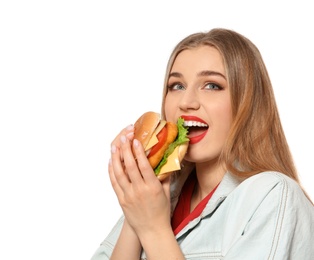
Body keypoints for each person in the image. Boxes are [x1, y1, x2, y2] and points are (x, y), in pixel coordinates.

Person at [91, 28, 314, 259]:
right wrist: (134, 208)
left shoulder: (272, 195)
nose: (186, 102)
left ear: (248, 104)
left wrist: (153, 229)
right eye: (177, 86)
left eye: (212, 85)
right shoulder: (156, 195)